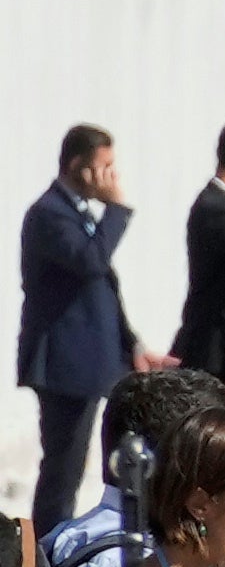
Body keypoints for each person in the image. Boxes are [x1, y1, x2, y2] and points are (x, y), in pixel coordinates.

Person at [21, 124, 133, 537]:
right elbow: (90, 261)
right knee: (62, 470)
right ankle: (47, 550)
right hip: (63, 366)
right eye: (102, 167)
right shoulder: (50, 215)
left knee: (76, 464)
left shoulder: (80, 215)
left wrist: (131, 341)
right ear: (77, 167)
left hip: (90, 363)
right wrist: (117, 209)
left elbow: (105, 285)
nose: (110, 178)